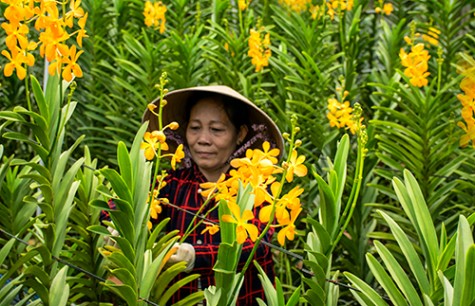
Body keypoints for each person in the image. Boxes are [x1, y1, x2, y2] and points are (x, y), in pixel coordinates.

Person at [142, 85, 284, 305]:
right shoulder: (173, 183)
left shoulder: (255, 187)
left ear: (241, 135)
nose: (203, 139)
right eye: (195, 127)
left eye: (216, 130)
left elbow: (256, 245)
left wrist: (194, 256)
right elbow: (129, 204)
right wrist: (117, 225)